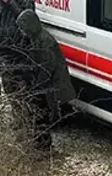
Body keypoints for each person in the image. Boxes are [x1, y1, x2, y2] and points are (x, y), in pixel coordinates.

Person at [15, 9, 76, 151]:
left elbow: (46, 68)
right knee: (41, 115)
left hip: (49, 85)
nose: (21, 32)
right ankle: (40, 143)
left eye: (23, 28)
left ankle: (43, 145)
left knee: (42, 115)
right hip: (46, 85)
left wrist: (35, 86)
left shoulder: (45, 42)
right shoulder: (36, 39)